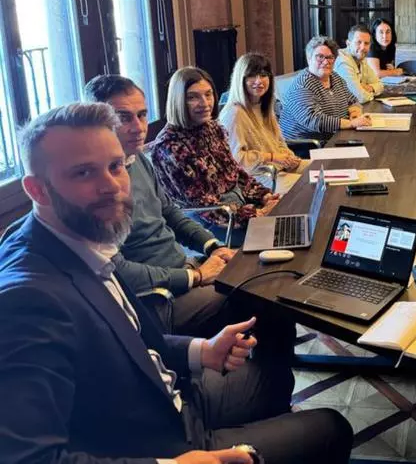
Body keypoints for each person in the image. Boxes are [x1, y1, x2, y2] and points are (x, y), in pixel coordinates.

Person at [0, 102, 353, 463]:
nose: (112, 186)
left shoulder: (81, 238)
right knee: (331, 427)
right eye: (83, 173)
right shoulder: (27, 300)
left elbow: (129, 342)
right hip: (156, 442)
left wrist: (202, 350)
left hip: (172, 399)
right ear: (37, 190)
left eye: (115, 166)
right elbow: (26, 458)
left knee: (274, 376)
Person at [83, 74, 238, 337]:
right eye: (123, 118)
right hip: (158, 299)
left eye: (142, 115)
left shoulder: (137, 159)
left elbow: (169, 213)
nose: (138, 127)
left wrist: (214, 246)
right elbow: (119, 271)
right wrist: (195, 277)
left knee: (259, 275)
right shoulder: (93, 189)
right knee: (253, 296)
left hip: (182, 267)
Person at [151, 67, 281, 248]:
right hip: (210, 222)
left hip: (237, 208)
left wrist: (264, 196)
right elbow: (202, 204)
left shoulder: (212, 127)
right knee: (278, 237)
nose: (205, 103)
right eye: (193, 97)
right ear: (178, 101)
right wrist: (256, 215)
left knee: (292, 222)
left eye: (208, 94)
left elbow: (236, 173)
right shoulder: (170, 146)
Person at [219, 52, 306, 195]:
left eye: (264, 75)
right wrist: (271, 157)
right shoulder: (234, 113)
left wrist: (288, 157)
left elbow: (278, 142)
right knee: (312, 186)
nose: (259, 81)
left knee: (326, 170)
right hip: (256, 177)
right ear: (241, 79)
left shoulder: (264, 106)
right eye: (252, 76)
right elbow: (236, 160)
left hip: (278, 167)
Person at [280, 36, 371, 143]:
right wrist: (351, 123)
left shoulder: (335, 77)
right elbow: (315, 120)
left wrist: (354, 114)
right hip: (307, 146)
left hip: (336, 137)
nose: (326, 61)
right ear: (309, 58)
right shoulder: (302, 85)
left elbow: (352, 100)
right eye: (320, 57)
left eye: (330, 57)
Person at [334, 24, 384, 103]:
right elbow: (359, 97)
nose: (363, 47)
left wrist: (370, 88)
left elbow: (380, 85)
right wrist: (371, 93)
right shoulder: (343, 62)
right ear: (348, 43)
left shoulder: (362, 59)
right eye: (358, 42)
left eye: (366, 43)